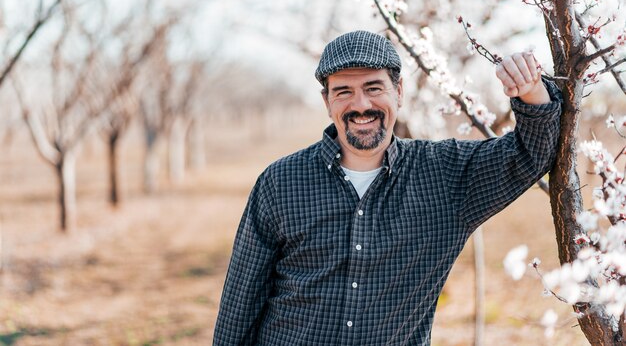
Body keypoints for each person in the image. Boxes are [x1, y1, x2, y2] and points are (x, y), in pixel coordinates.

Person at [213, 30, 562, 345]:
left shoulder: (446, 176)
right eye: (344, 92)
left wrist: (531, 90)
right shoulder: (280, 182)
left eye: (373, 88)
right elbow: (241, 303)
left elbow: (531, 153)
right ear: (327, 102)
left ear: (399, 92)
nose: (361, 105)